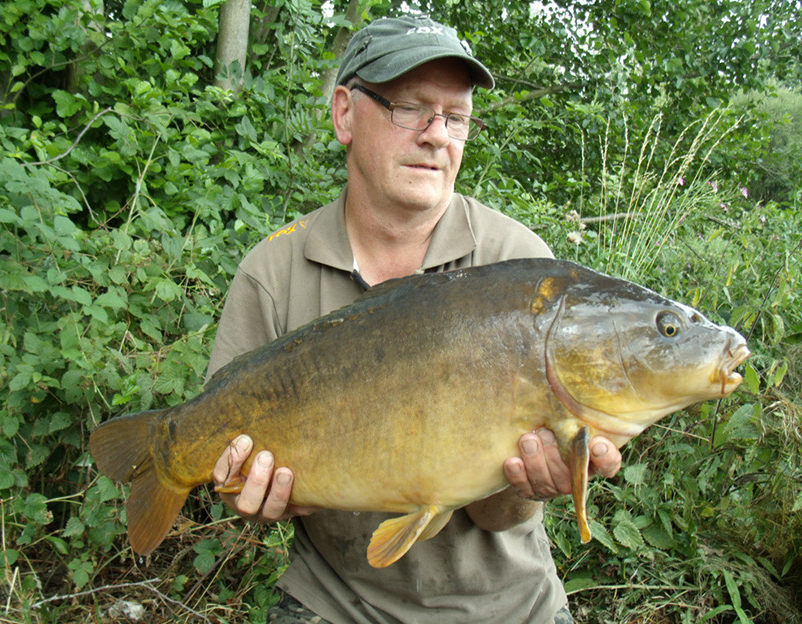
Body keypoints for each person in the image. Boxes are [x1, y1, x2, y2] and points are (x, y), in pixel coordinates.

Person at [204, 15, 622, 624]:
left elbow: (499, 514)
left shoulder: (519, 267)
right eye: (410, 109)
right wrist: (246, 488)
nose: (436, 136)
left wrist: (530, 485)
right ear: (345, 113)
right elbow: (224, 454)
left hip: (507, 608)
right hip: (336, 601)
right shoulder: (273, 270)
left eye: (455, 117)